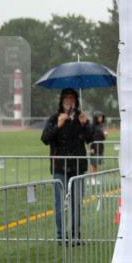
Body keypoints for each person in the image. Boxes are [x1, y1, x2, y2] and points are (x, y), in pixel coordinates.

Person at [40, 88, 93, 241]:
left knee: (76, 203)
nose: (69, 101)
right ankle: (61, 235)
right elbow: (45, 138)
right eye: (66, 98)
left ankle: (75, 235)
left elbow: (90, 138)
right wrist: (59, 124)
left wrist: (86, 123)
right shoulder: (55, 118)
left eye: (72, 99)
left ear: (76, 101)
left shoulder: (81, 119)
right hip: (59, 167)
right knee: (59, 204)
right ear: (62, 101)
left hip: (77, 166)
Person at [89, 111, 106, 182]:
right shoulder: (92, 125)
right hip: (94, 146)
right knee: (93, 163)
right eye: (99, 117)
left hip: (100, 146)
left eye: (101, 117)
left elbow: (102, 137)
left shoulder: (101, 126)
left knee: (96, 163)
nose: (101, 118)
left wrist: (105, 135)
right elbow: (90, 137)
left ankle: (94, 178)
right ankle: (92, 179)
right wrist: (92, 148)